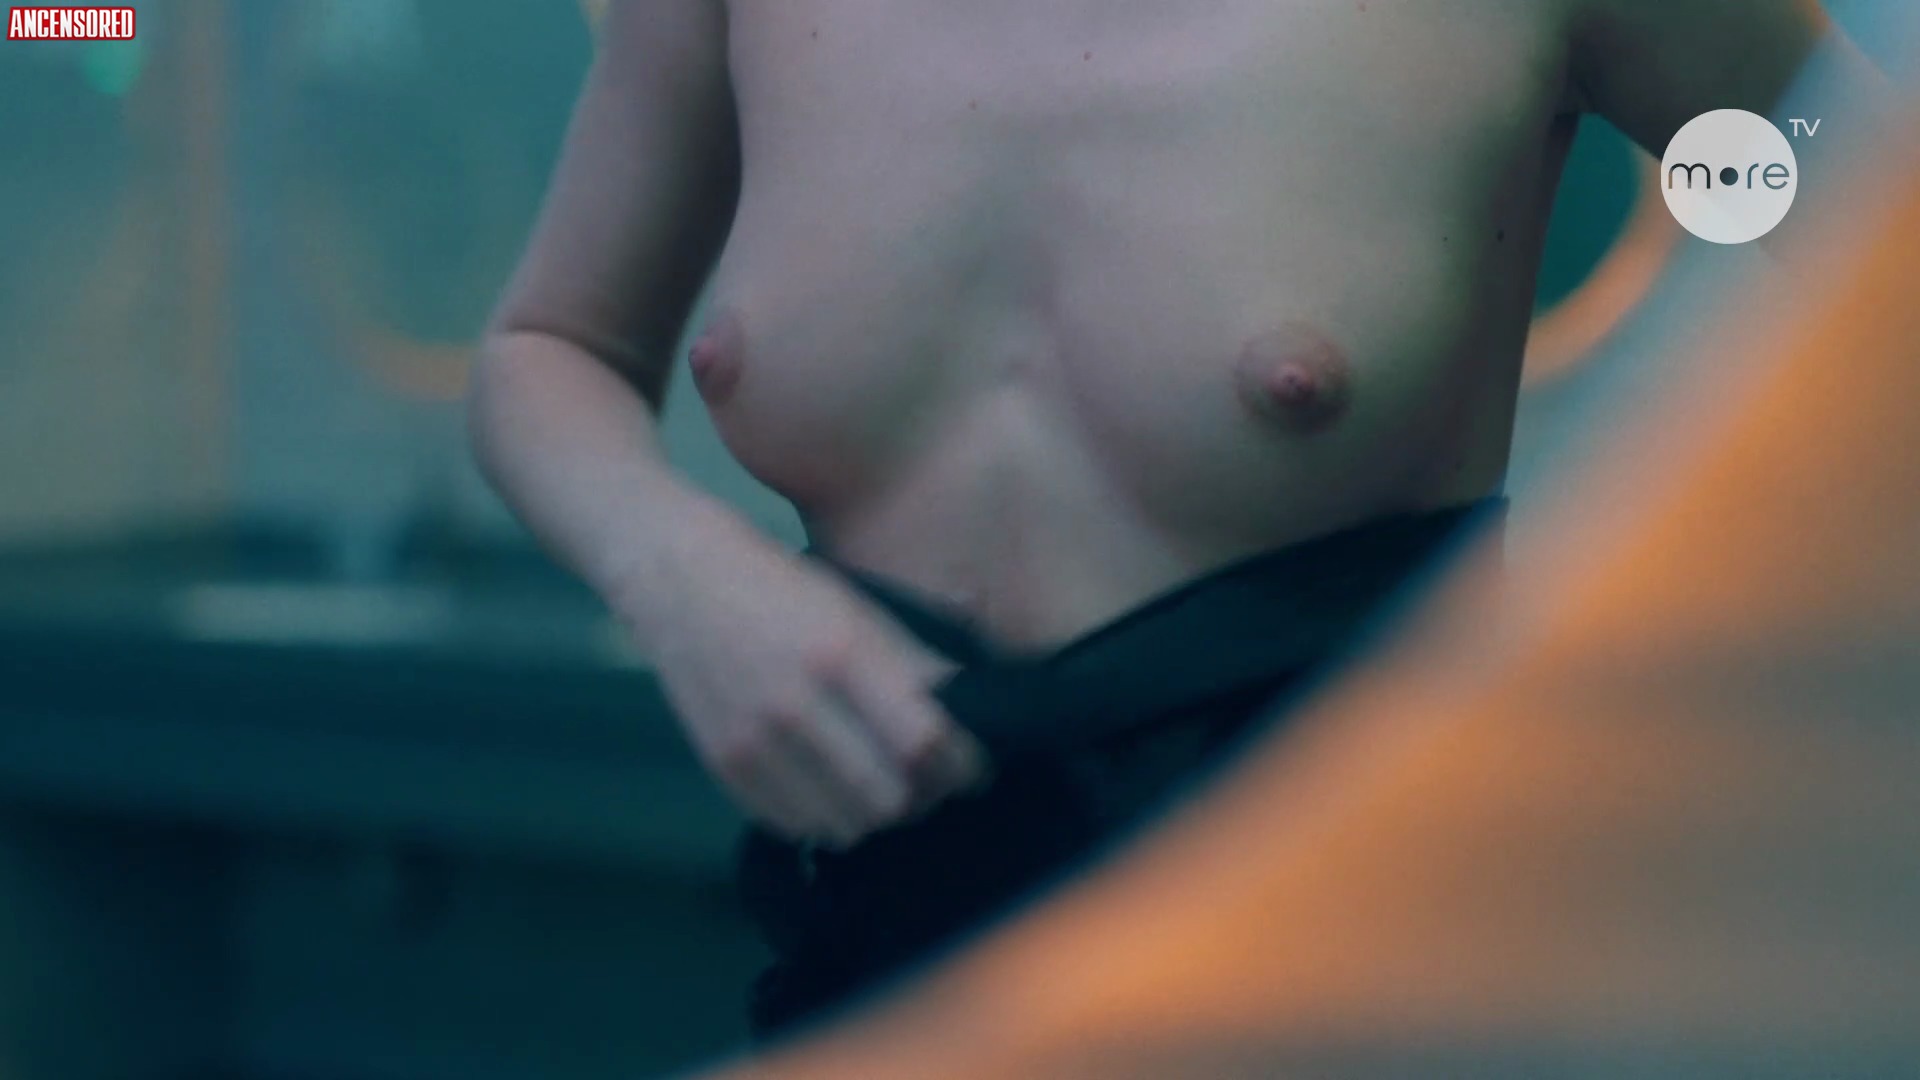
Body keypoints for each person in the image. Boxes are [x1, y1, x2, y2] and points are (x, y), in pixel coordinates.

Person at [469, 0, 1863, 1040]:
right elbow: (554, 344)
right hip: (875, 972)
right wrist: (679, 573)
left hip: (1348, 990)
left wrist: (1657, 629)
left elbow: (1855, 230)